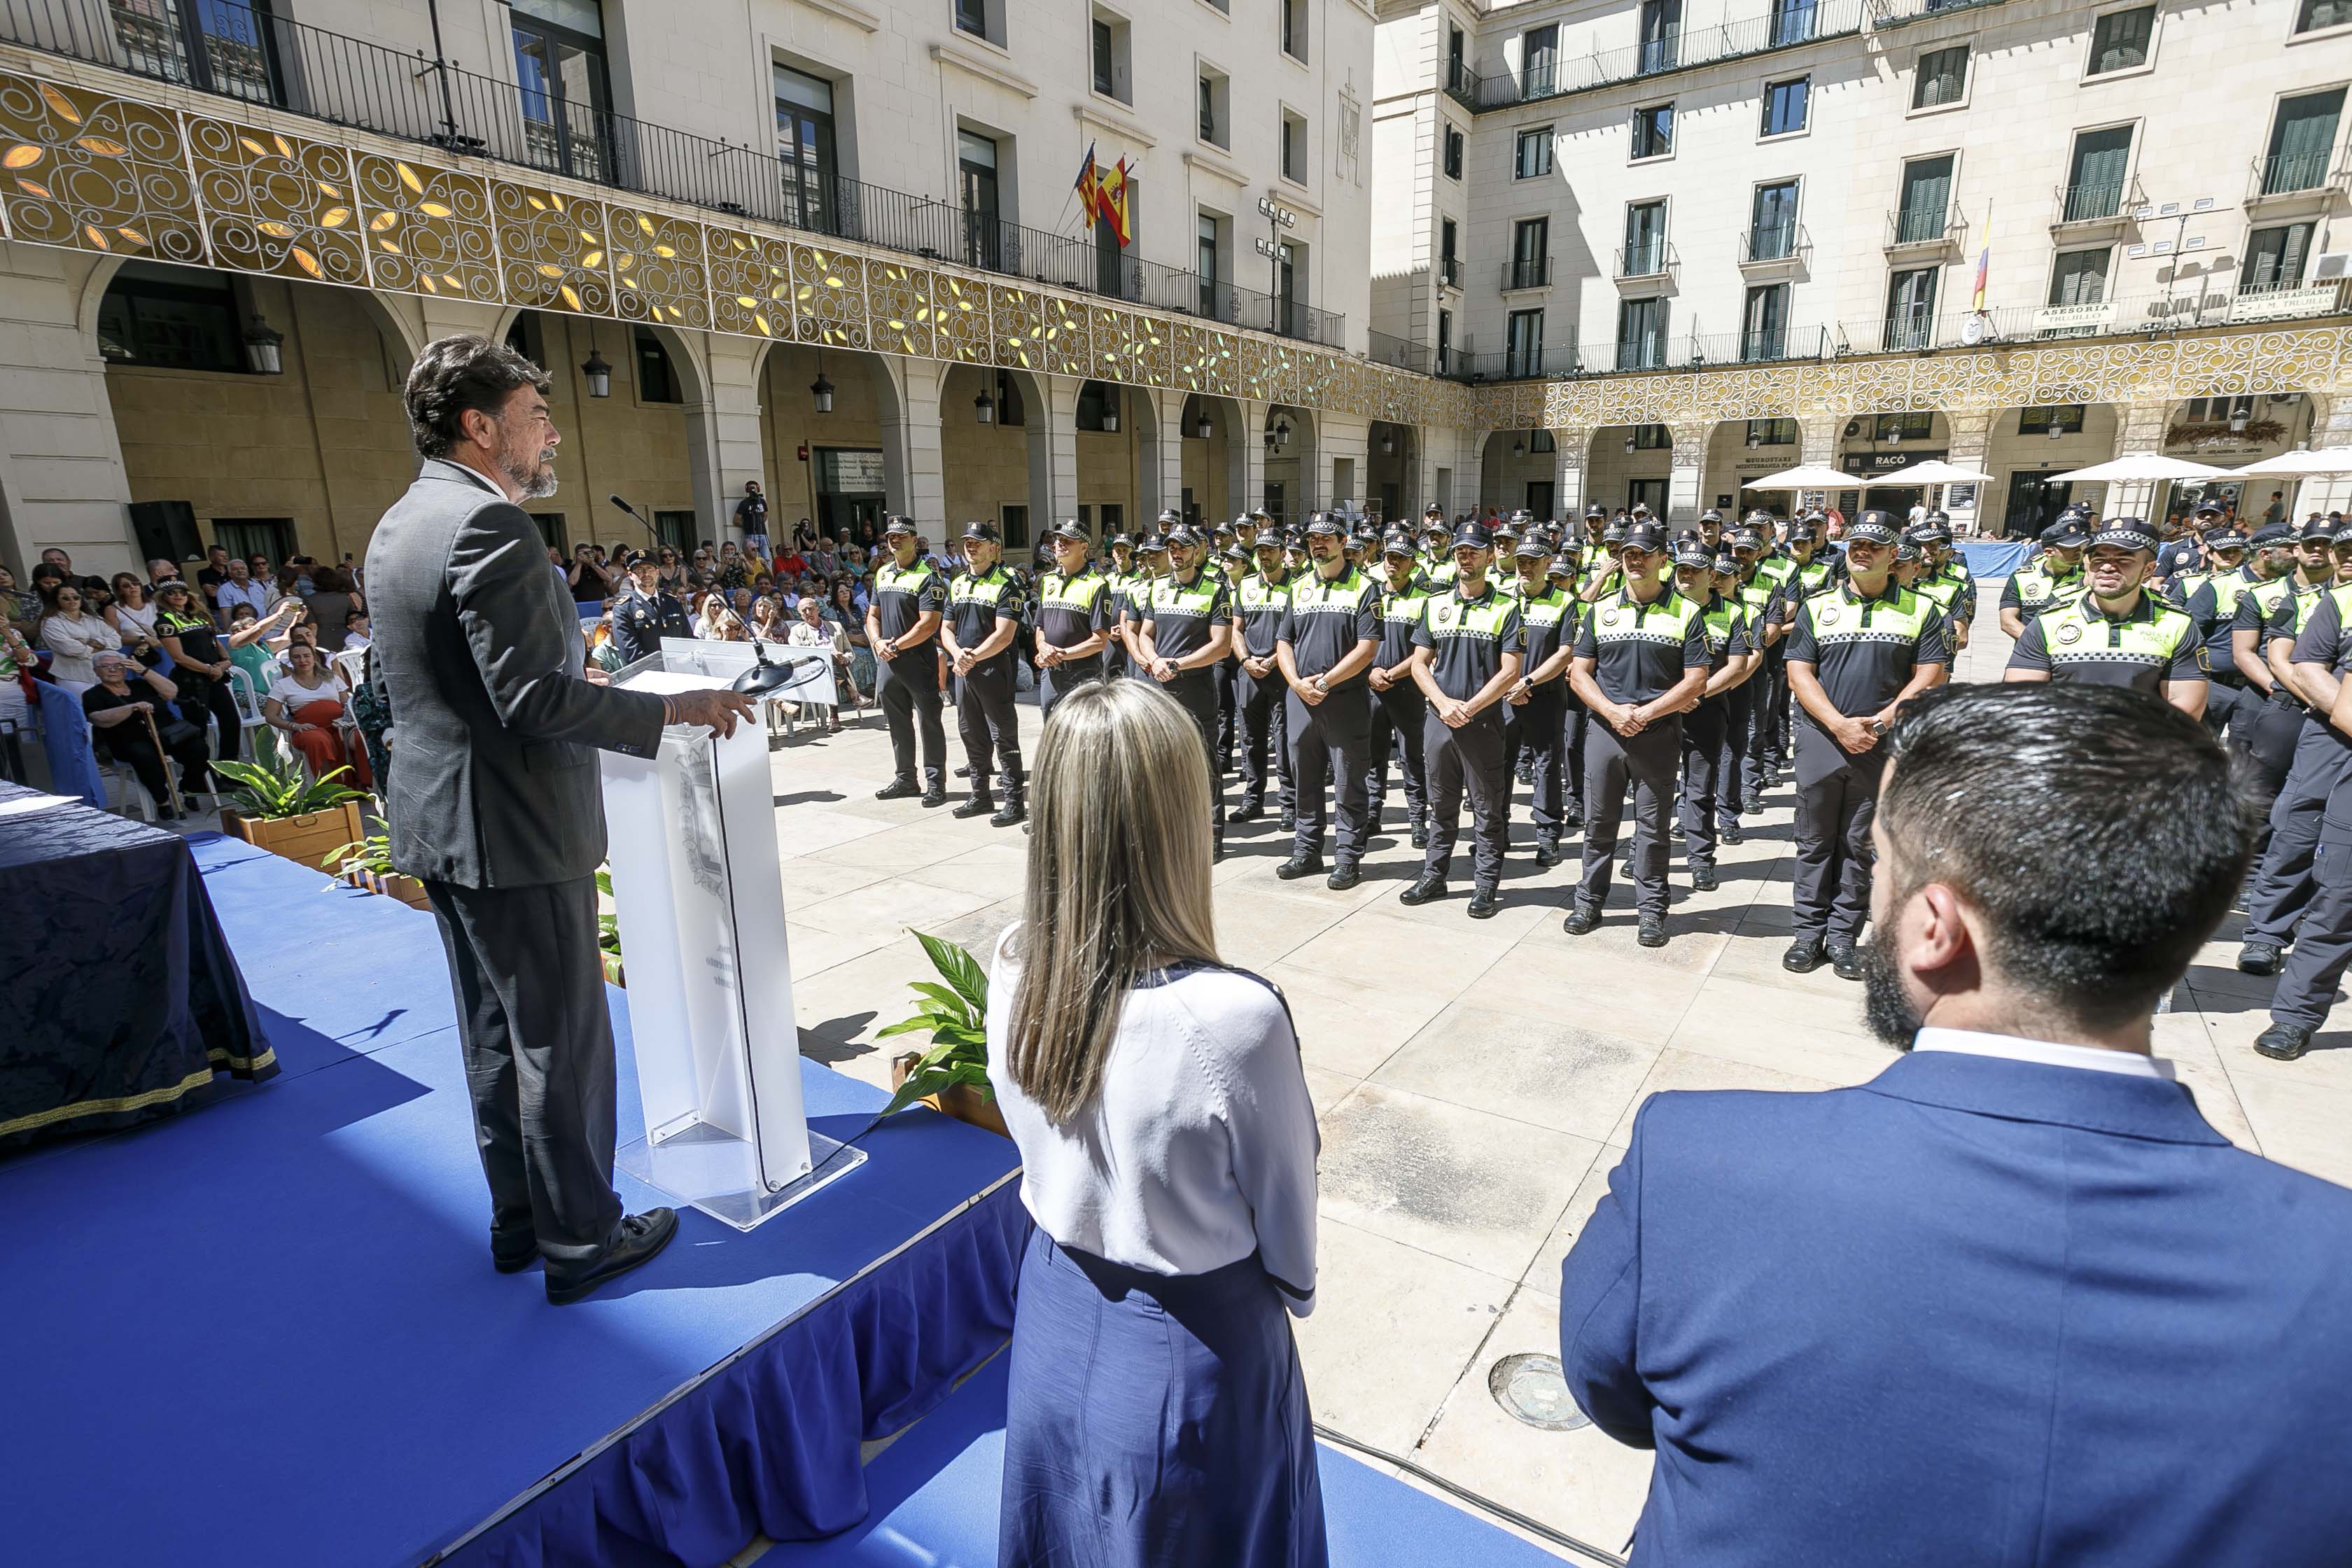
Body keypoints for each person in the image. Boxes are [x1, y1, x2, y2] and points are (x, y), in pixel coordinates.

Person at [1560, 681, 2352, 1563]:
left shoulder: (1699, 1164)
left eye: (1884, 869)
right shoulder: (2331, 1271)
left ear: (1933, 926)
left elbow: (1610, 1390)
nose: (1871, 908)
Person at [365, 333, 755, 1304]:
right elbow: (532, 700)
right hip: (516, 827)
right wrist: (672, 709)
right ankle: (582, 1240)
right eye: (537, 416)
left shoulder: (404, 519)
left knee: (496, 1037)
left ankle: (522, 1221)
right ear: (481, 425)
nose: (553, 435)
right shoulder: (491, 528)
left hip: (444, 820)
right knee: (562, 1043)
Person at [988, 678, 1324, 1568]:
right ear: (1182, 821)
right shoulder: (1232, 1018)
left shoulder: (1016, 965)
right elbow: (1290, 1238)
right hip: (1195, 1347)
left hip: (1053, 1303)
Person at [1781, 510, 1949, 978]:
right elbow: (1799, 672)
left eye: (1874, 545)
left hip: (1880, 744)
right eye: (1856, 543)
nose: (1862, 551)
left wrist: (1877, 723)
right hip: (1822, 738)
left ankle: (1842, 938)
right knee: (1813, 841)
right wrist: (1838, 724)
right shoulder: (1818, 607)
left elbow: (1929, 675)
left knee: (1857, 844)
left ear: (1894, 554)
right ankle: (1807, 934)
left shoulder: (1923, 610)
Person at [1564, 524, 1711, 946]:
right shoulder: (1601, 610)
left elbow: (1697, 679)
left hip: (1658, 733)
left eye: (1644, 553)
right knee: (1599, 823)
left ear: (1662, 558)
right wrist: (1611, 710)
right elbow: (1579, 673)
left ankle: (1651, 912)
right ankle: (1589, 902)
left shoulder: (1686, 613)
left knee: (1653, 828)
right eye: (1628, 553)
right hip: (1606, 732)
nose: (1635, 560)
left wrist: (1646, 713)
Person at [1400, 520, 1523, 918]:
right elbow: (1420, 665)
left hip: (1482, 722)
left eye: (1473, 550)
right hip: (1439, 720)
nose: (1465, 556)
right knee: (1442, 803)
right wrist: (1442, 703)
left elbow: (1510, 672)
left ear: (1490, 556)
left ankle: (1486, 885)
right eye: (1459, 551)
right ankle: (1434, 876)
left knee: (1487, 808)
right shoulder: (1435, 604)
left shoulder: (1507, 607)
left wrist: (1467, 708)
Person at [1274, 512, 1382, 888]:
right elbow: (1283, 641)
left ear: (1342, 542)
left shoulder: (1365, 587)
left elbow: (1368, 647)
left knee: (1349, 779)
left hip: (1344, 698)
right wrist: (1295, 682)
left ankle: (1348, 856)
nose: (1318, 544)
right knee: (1304, 775)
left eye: (1326, 538)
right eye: (1312, 539)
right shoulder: (1299, 586)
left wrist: (1326, 680)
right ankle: (1306, 849)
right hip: (1301, 699)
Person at [2003, 518, 2204, 716]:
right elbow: (2021, 701)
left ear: (2149, 570)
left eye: (2123, 559)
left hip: (2142, 745)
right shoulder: (2049, 621)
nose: (2107, 567)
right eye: (2099, 559)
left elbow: (2186, 710)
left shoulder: (2177, 624)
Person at [1133, 522, 1236, 858]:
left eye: (1183, 547)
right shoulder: (1157, 588)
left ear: (1197, 551)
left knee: (1203, 766)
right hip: (1158, 688)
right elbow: (1145, 634)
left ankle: (1212, 835)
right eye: (1171, 548)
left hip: (1195, 691)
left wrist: (1178, 664)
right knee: (1158, 765)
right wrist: (1154, 661)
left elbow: (1221, 646)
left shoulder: (1215, 590)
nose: (1176, 553)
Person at [1500, 536, 1576, 868]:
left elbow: (1566, 652)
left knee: (1546, 766)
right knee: (1497, 766)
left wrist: (1529, 681)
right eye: (1521, 562)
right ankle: (1496, 833)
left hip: (1543, 695)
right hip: (1504, 696)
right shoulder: (1502, 598)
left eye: (1534, 561)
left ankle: (1548, 837)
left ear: (1548, 563)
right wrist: (1508, 684)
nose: (1526, 567)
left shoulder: (1564, 601)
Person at [942, 521, 1026, 825]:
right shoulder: (958, 582)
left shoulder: (1007, 582)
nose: (971, 547)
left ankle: (1014, 800)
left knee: (1003, 735)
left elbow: (1004, 635)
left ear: (994, 547)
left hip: (992, 668)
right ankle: (980, 795)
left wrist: (972, 657)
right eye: (967, 542)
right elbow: (946, 627)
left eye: (978, 542)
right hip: (964, 669)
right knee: (971, 733)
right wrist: (956, 654)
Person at [867, 515, 951, 806]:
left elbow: (929, 625)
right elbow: (873, 615)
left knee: (929, 721)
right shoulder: (883, 573)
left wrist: (896, 645)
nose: (894, 539)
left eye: (901, 535)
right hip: (888, 660)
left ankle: (935, 782)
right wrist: (877, 642)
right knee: (897, 722)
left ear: (915, 540)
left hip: (918, 660)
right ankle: (905, 778)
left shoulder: (929, 577)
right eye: (890, 535)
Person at [1365, 532, 1434, 849]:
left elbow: (1425, 653)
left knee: (1411, 756)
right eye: (1390, 557)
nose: (1393, 563)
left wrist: (1391, 674)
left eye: (1401, 558)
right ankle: (1371, 813)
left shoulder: (1424, 600)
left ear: (1412, 563)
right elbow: (1356, 641)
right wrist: (1370, 672)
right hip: (1371, 687)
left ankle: (1418, 818)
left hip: (1407, 688)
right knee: (1372, 755)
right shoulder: (1371, 595)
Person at [82, 649, 211, 814]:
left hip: (167, 735)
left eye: (118, 666)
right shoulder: (93, 695)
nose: (112, 670)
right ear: (96, 671)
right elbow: (97, 718)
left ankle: (189, 789)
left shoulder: (140, 684)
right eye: (105, 667)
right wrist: (131, 707)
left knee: (198, 748)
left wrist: (144, 670)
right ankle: (162, 800)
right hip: (129, 741)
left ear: (125, 668)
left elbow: (171, 692)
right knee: (145, 756)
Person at [1230, 528, 1296, 831]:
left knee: (1283, 742)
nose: (1264, 555)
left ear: (1282, 552)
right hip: (1250, 674)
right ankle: (1253, 799)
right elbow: (1236, 629)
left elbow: (1297, 635)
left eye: (1270, 550)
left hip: (1282, 674)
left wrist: (1272, 661)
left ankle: (1289, 804)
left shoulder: (1296, 586)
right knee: (1251, 740)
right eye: (1260, 551)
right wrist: (1245, 660)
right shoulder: (1245, 586)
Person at [153, 579, 244, 767]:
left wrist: (223, 664)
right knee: (197, 731)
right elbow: (178, 657)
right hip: (191, 681)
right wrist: (210, 669)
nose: (178, 596)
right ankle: (198, 778)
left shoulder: (199, 617)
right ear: (164, 597)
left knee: (232, 722)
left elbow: (217, 645)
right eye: (172, 593)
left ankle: (229, 769)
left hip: (215, 677)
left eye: (182, 592)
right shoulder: (164, 622)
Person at [1030, 520, 1110, 722]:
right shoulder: (1049, 580)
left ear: (1084, 547)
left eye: (1068, 541)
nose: (1060, 544)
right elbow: (1040, 626)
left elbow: (1100, 641)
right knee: (1052, 732)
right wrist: (1043, 648)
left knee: (1083, 736)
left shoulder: (1097, 585)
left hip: (1082, 676)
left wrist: (1061, 654)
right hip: (1051, 675)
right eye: (1058, 540)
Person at [263, 641, 372, 788]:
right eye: (297, 657)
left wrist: (349, 721)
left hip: (340, 727)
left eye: (306, 656)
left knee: (361, 737)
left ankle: (364, 783)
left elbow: (347, 704)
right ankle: (331, 789)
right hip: (309, 728)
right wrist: (295, 726)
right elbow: (270, 716)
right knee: (317, 740)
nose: (302, 660)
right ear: (291, 661)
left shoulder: (332, 678)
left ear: (314, 658)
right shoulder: (283, 685)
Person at [785, 594, 855, 732]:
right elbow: (798, 653)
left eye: (810, 609)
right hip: (813, 669)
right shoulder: (796, 630)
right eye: (803, 611)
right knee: (829, 660)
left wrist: (845, 658)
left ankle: (835, 717)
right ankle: (851, 693)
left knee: (832, 664)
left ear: (818, 609)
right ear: (800, 614)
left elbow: (849, 651)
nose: (807, 613)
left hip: (839, 665)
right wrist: (828, 655)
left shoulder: (836, 626)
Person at [37, 580, 120, 692]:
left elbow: (116, 641)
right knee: (82, 708)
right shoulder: (51, 622)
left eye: (75, 597)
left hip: (101, 675)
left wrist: (86, 642)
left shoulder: (95, 619)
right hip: (73, 676)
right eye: (65, 598)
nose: (72, 600)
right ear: (56, 600)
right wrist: (100, 646)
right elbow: (69, 648)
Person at [564, 542, 611, 608]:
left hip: (600, 604)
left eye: (589, 552)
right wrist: (579, 563)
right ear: (577, 555)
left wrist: (592, 564)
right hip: (582, 605)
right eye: (584, 553)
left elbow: (608, 578)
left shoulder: (597, 566)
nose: (587, 555)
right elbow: (572, 582)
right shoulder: (572, 568)